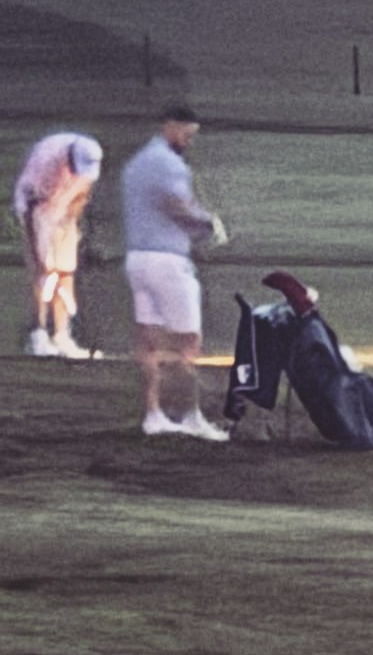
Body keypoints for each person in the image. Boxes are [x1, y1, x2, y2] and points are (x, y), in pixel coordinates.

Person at [122, 105, 229, 441]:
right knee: (188, 343)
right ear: (170, 126)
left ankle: (153, 415)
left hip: (137, 259)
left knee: (150, 341)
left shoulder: (137, 163)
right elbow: (176, 206)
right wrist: (207, 225)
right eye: (186, 133)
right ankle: (191, 416)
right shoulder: (168, 164)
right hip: (167, 262)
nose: (188, 141)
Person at [12, 132, 104, 358]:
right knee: (43, 273)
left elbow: (83, 192)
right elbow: (32, 207)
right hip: (38, 209)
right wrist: (39, 254)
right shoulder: (46, 158)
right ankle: (38, 335)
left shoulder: (90, 158)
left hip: (64, 210)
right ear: (69, 157)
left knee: (65, 271)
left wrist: (71, 220)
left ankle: (62, 336)